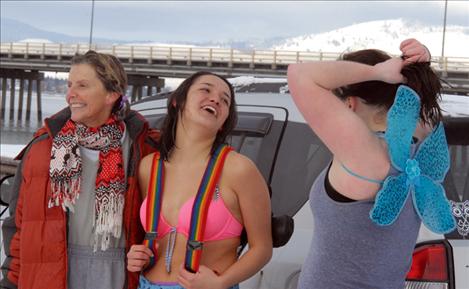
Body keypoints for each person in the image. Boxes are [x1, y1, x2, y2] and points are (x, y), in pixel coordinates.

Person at [287, 39, 455, 288]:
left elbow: (299, 74)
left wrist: (376, 72)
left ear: (349, 103)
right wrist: (418, 65)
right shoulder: (418, 153)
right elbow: (419, 104)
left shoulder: (367, 157)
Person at [1, 50, 159, 289]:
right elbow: (18, 225)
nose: (70, 95)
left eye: (82, 85)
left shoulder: (144, 148)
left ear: (112, 94)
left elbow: (165, 222)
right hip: (50, 274)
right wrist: (10, 283)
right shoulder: (42, 148)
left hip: (117, 275)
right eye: (69, 85)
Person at [126, 71, 272, 289]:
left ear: (223, 121)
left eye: (225, 100)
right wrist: (139, 256)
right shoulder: (150, 167)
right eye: (206, 89)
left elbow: (262, 248)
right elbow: (156, 240)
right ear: (177, 101)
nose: (215, 99)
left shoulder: (239, 169)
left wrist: (222, 282)